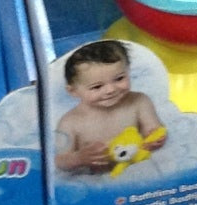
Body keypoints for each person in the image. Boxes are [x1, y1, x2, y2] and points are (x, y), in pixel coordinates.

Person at [54, 41, 165, 176]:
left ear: (128, 71)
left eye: (119, 78)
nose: (111, 90)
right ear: (73, 91)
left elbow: (154, 129)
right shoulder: (70, 122)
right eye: (97, 87)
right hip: (97, 179)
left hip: (138, 170)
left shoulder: (139, 101)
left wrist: (155, 138)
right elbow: (59, 161)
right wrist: (78, 158)